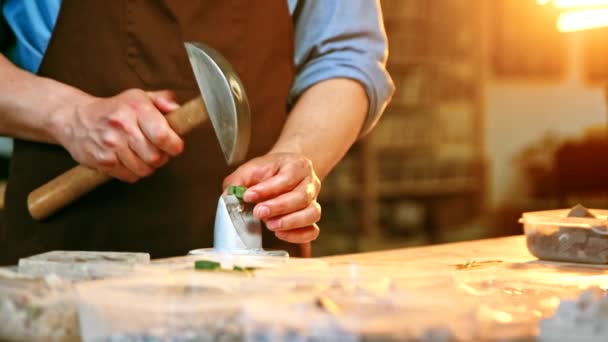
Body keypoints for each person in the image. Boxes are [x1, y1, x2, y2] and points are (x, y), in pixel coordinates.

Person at [0, 0, 394, 264]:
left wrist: (295, 156)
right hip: (68, 267)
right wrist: (67, 115)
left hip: (258, 268)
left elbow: (347, 56)